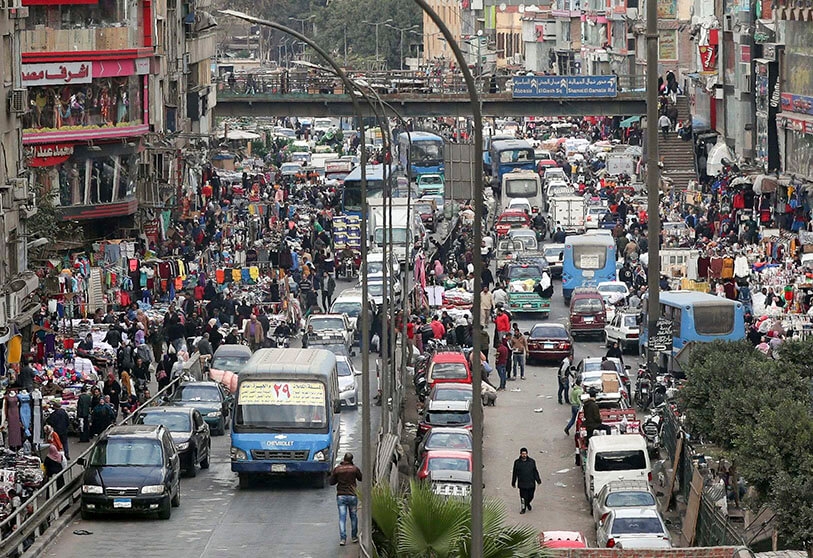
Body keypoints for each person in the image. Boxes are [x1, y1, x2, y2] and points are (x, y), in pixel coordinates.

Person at [329, 452, 362, 546]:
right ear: (351, 460)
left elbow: (332, 482)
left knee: (342, 518)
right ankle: (354, 537)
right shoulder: (354, 469)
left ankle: (343, 539)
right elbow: (360, 478)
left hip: (341, 496)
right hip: (352, 495)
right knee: (354, 517)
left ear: (344, 459)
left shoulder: (338, 469)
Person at [511, 447, 541, 514]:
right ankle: (523, 508)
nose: (524, 455)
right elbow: (514, 473)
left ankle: (528, 503)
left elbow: (535, 471)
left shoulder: (532, 462)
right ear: (520, 454)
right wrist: (513, 482)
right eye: (523, 454)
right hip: (522, 484)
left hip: (531, 483)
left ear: (527, 454)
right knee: (523, 498)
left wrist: (538, 480)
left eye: (525, 454)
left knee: (531, 496)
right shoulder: (517, 463)